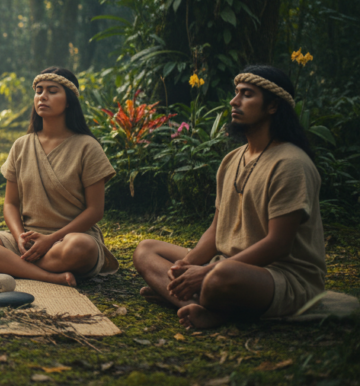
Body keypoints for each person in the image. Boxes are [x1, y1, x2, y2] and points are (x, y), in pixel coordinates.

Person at [133, 66, 325, 329]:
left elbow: (279, 244)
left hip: (283, 278)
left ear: (272, 106)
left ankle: (190, 300)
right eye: (236, 93)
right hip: (227, 263)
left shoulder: (291, 163)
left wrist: (205, 272)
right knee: (146, 249)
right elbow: (216, 230)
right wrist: (185, 266)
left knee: (220, 275)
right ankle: (195, 300)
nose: (234, 101)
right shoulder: (232, 160)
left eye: (247, 95)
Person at [0, 67, 118, 286]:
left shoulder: (87, 147)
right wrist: (18, 238)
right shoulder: (21, 145)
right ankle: (48, 276)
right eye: (39, 90)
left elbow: (95, 210)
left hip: (69, 239)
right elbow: (10, 204)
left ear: (69, 101)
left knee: (82, 248)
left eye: (53, 91)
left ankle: (10, 265)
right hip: (28, 239)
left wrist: (51, 240)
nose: (43, 96)